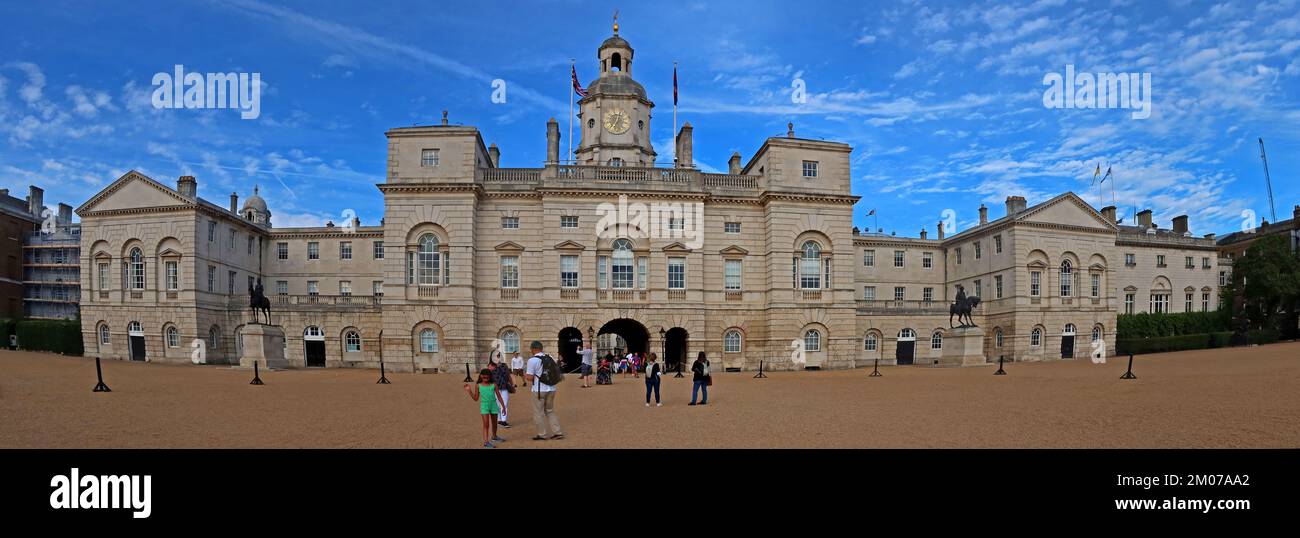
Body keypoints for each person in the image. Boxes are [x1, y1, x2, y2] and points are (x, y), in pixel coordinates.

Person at [524, 340, 564, 441]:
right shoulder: (549, 357)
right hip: (551, 388)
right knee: (550, 411)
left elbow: (530, 377)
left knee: (538, 412)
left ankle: (542, 434)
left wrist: (525, 375)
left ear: (533, 349)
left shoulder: (532, 360)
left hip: (538, 389)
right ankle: (557, 432)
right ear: (541, 349)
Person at [464, 368, 505, 448]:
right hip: (484, 406)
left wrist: (503, 406)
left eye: (487, 377)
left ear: (490, 376)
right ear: (481, 376)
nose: (485, 379)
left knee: (494, 424)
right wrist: (469, 391)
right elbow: (476, 398)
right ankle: (486, 442)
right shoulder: (478, 385)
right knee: (486, 424)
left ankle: (494, 436)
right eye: (483, 377)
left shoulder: (494, 384)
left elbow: (499, 396)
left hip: (493, 405)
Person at [488, 358, 515, 428]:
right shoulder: (491, 365)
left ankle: (503, 421)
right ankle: (499, 419)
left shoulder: (504, 365)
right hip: (495, 388)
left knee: (504, 403)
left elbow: (508, 375)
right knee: (497, 404)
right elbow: (488, 377)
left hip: (505, 387)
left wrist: (512, 385)